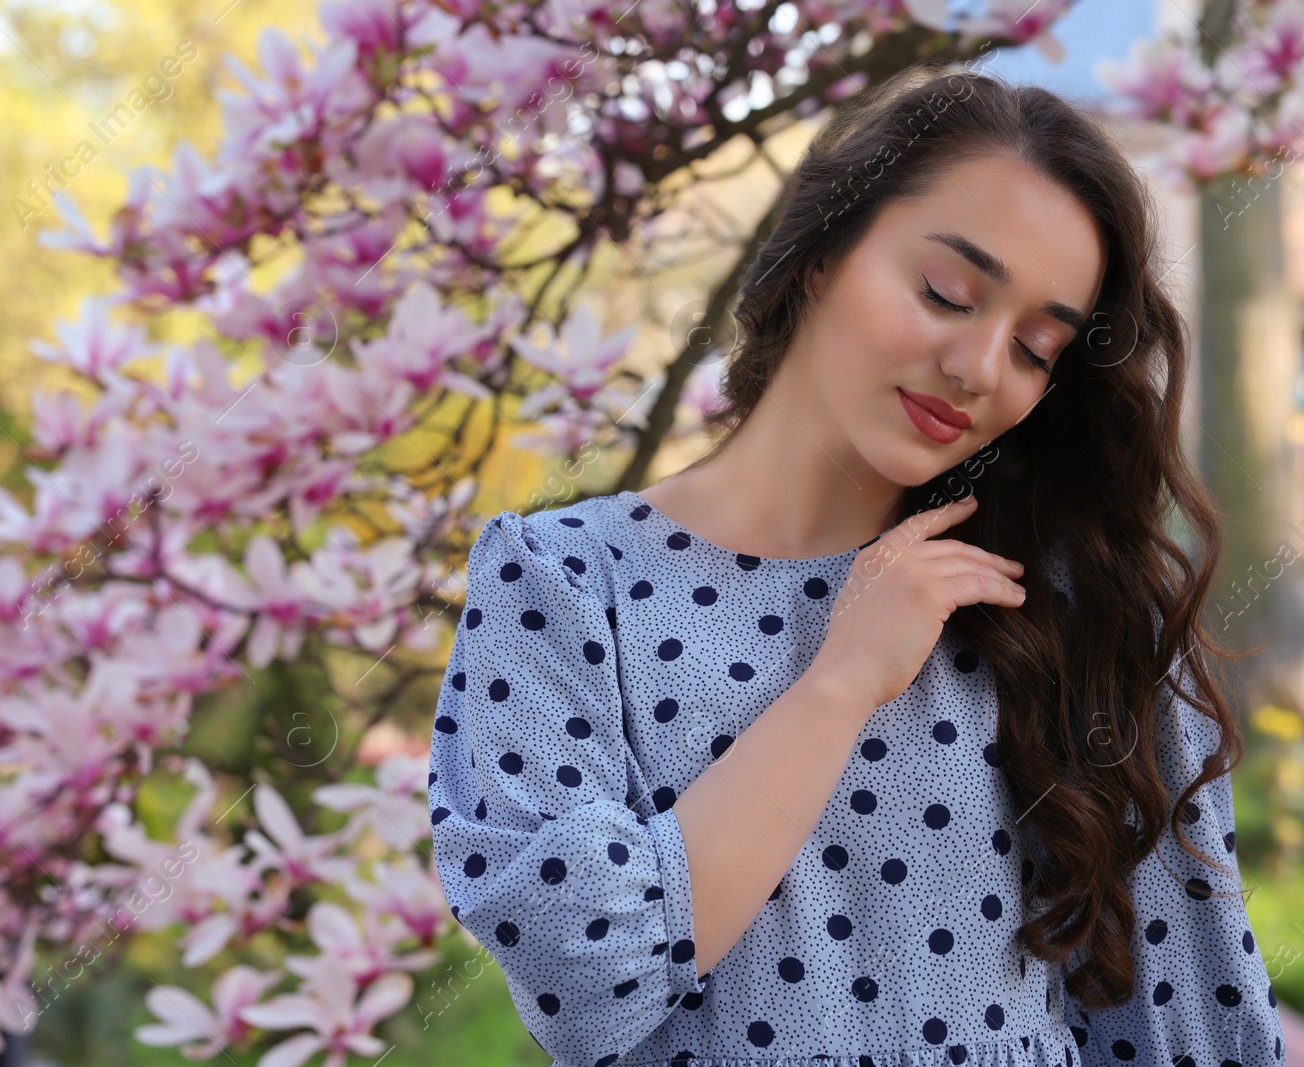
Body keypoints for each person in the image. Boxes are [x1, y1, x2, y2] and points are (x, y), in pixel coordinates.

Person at [427, 60, 1288, 1067]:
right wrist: (841, 681)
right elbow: (585, 980)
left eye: (1035, 348)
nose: (976, 368)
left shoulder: (1064, 604)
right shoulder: (561, 583)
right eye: (946, 291)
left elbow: (1188, 1018)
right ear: (825, 251)